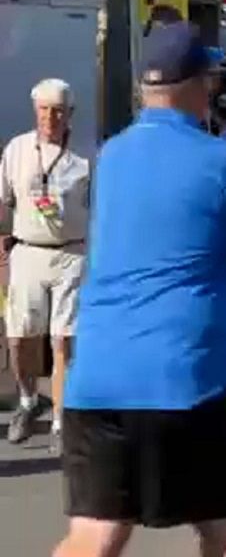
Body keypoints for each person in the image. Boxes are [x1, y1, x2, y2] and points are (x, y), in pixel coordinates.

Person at [57, 23, 226, 557]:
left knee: (96, 535)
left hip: (99, 379)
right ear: (202, 84)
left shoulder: (110, 158)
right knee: (225, 537)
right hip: (191, 382)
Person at [0, 79, 91, 453]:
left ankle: (60, 420)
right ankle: (27, 399)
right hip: (27, 250)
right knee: (19, 338)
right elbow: (4, 202)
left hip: (72, 253)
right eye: (43, 110)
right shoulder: (18, 149)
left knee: (62, 340)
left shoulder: (86, 156)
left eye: (57, 111)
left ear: (69, 115)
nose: (50, 118)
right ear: (35, 111)